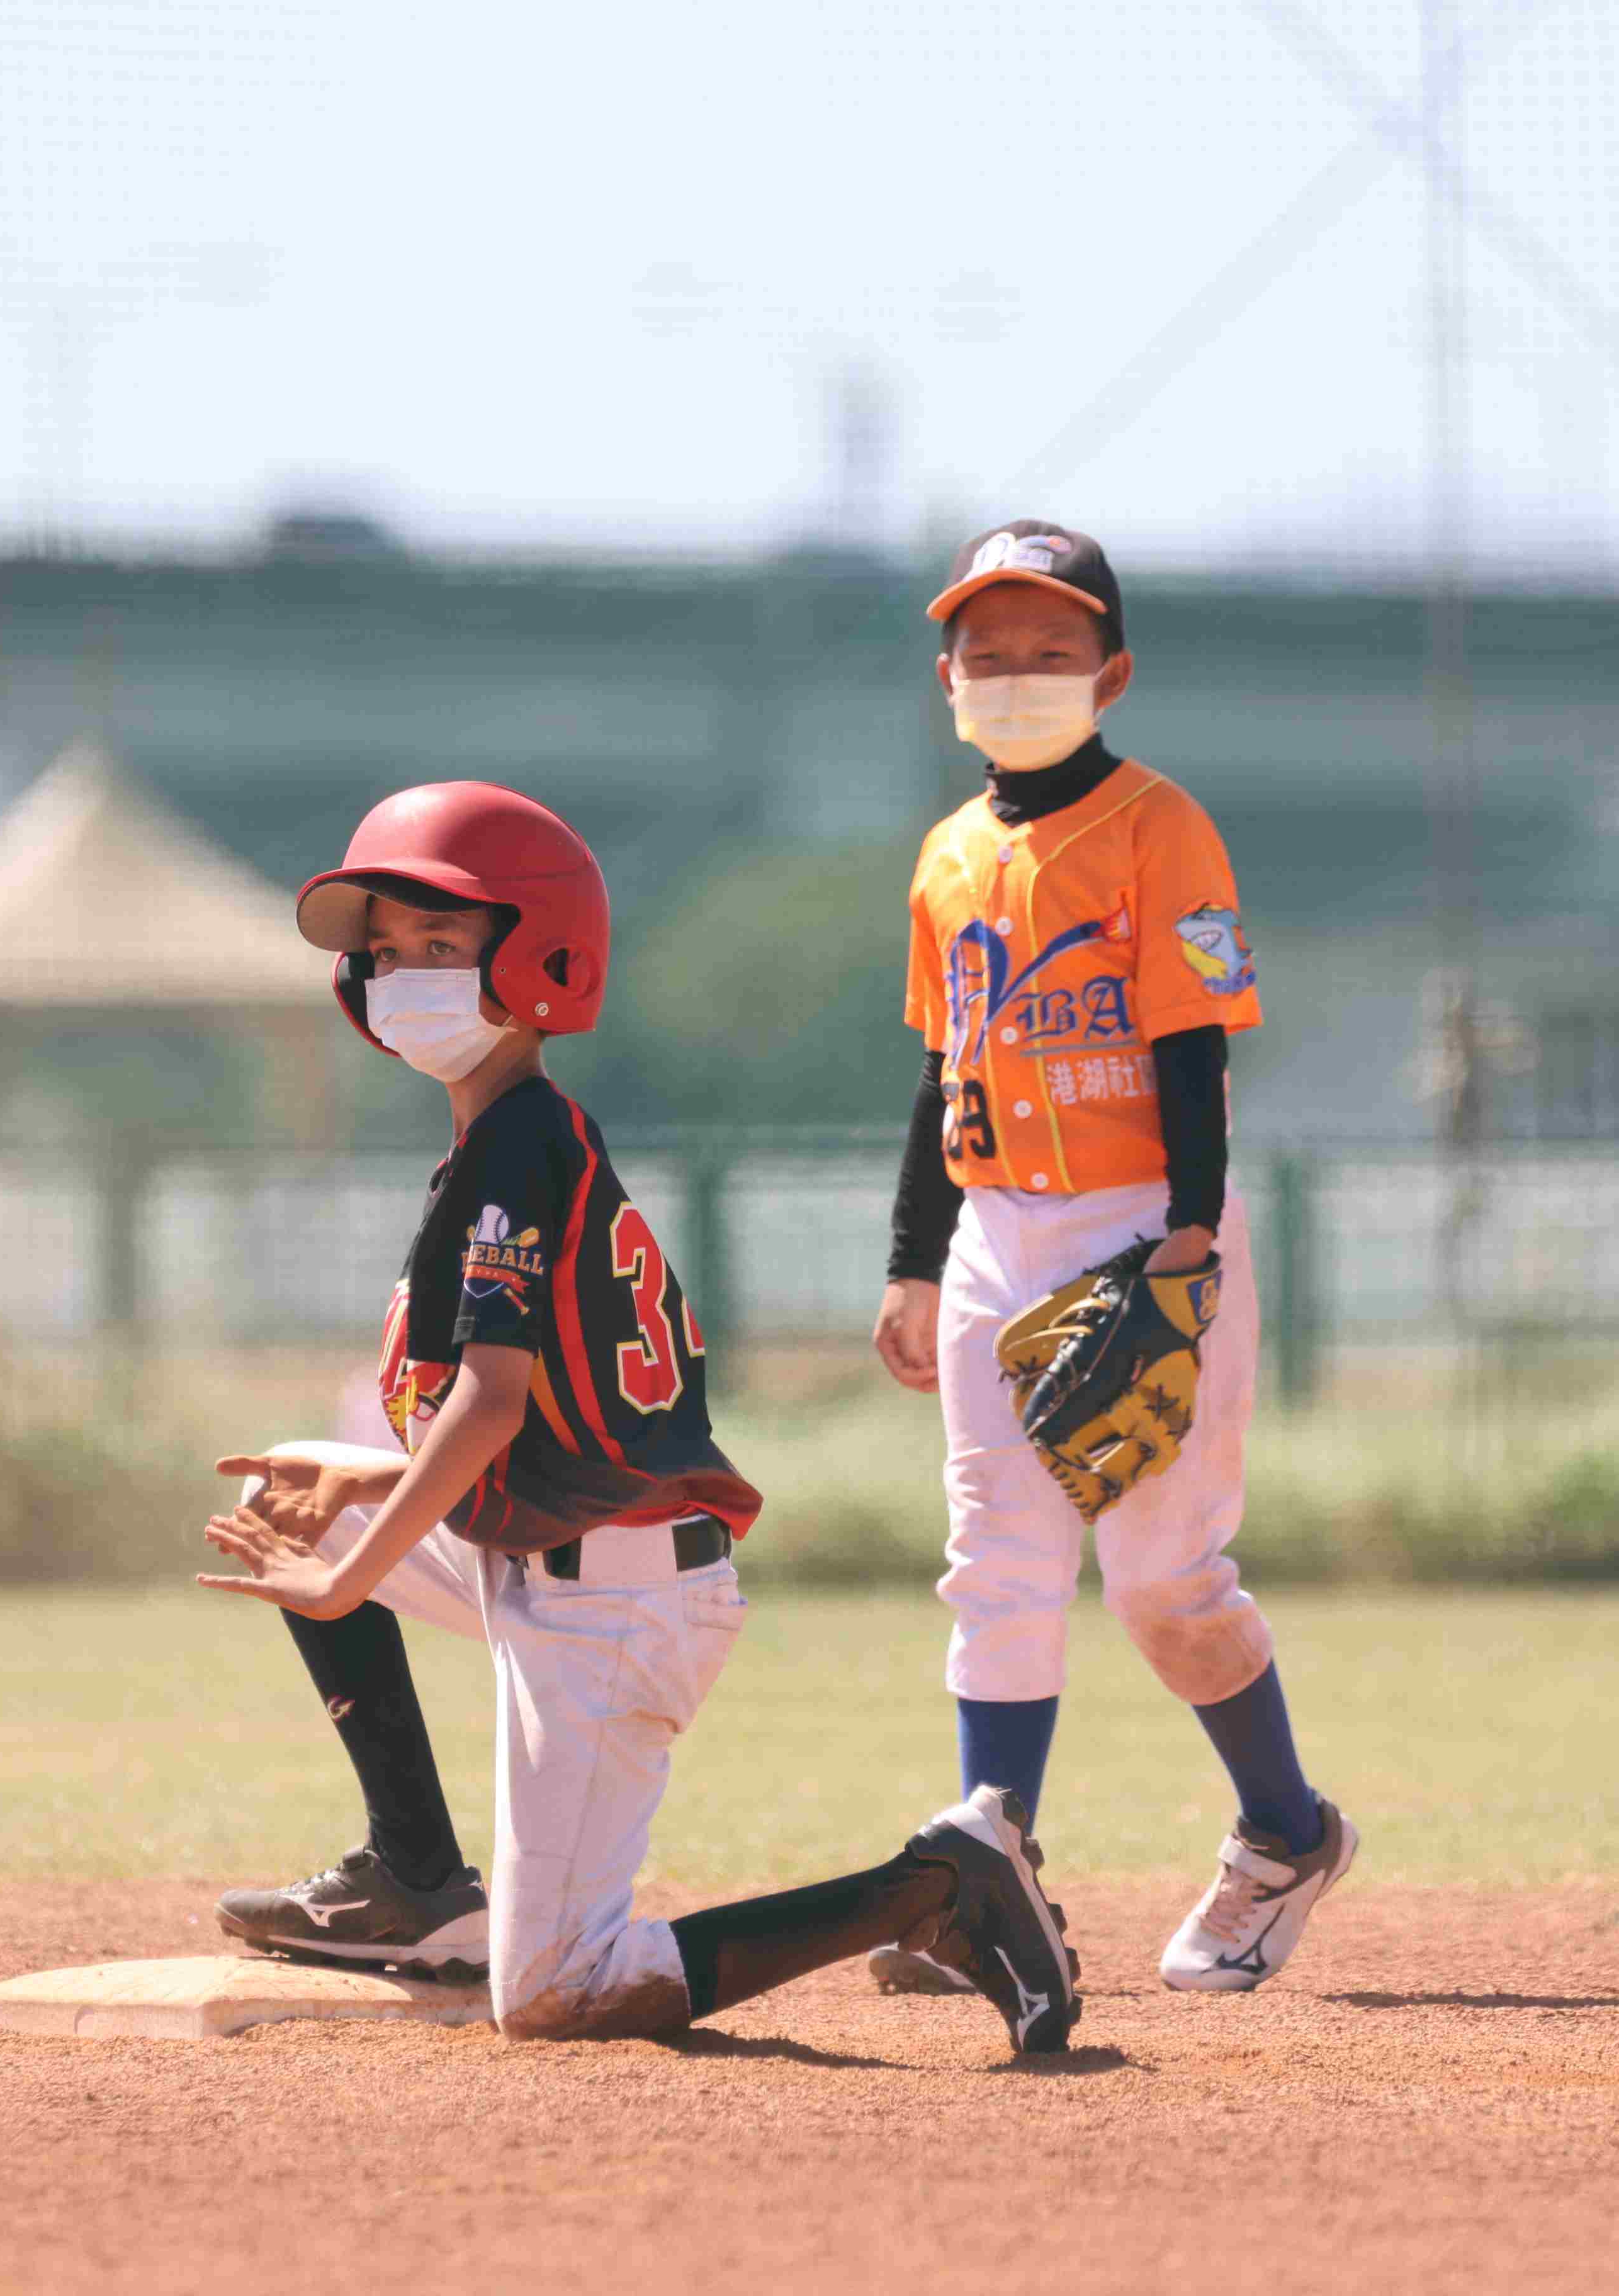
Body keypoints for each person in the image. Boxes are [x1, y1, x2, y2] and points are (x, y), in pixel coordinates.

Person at [199, 779, 1083, 2052]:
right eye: (385, 951)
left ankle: (939, 1888)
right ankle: (415, 1880)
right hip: (560, 1556)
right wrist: (358, 1481)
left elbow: (491, 1407)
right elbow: (548, 1425)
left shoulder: (517, 1145)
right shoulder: (512, 1137)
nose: (402, 975)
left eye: (442, 943)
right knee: (289, 1500)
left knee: (557, 1995)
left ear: (541, 958)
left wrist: (354, 1581)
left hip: (613, 1607)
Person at [867, 521, 1354, 1995]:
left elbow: (1195, 1045)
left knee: (1163, 1580)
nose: (1017, 673)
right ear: (947, 679)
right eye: (990, 652)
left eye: (1053, 650)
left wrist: (1189, 1243)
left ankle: (1287, 1832)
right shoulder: (947, 854)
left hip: (1143, 1218)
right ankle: (991, 1875)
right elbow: (941, 1066)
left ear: (1112, 673)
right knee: (998, 1565)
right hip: (994, 1228)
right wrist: (913, 1260)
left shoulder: (1160, 826)